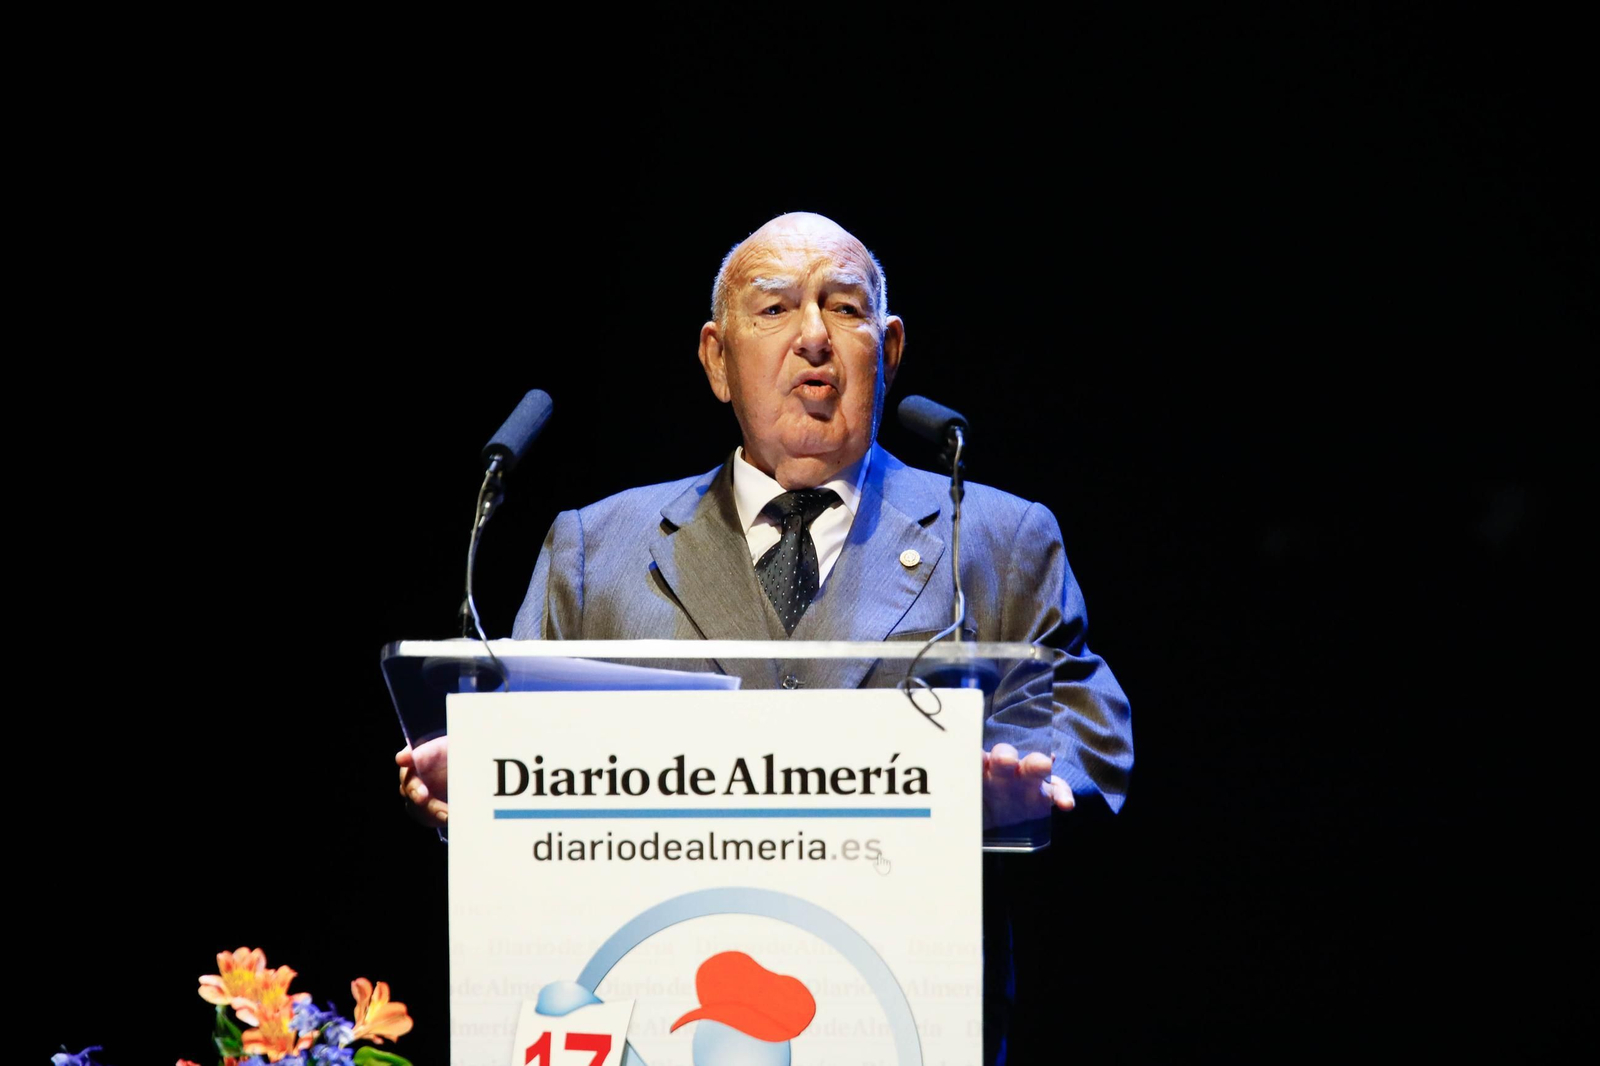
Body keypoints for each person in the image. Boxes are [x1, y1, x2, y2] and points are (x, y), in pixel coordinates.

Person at [399, 211, 1131, 834]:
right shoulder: (594, 549)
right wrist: (475, 773)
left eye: (845, 309)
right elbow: (519, 753)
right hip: (661, 976)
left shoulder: (999, 538)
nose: (814, 335)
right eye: (775, 309)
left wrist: (1027, 783)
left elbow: (1081, 724)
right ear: (718, 359)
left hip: (917, 983)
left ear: (891, 350)